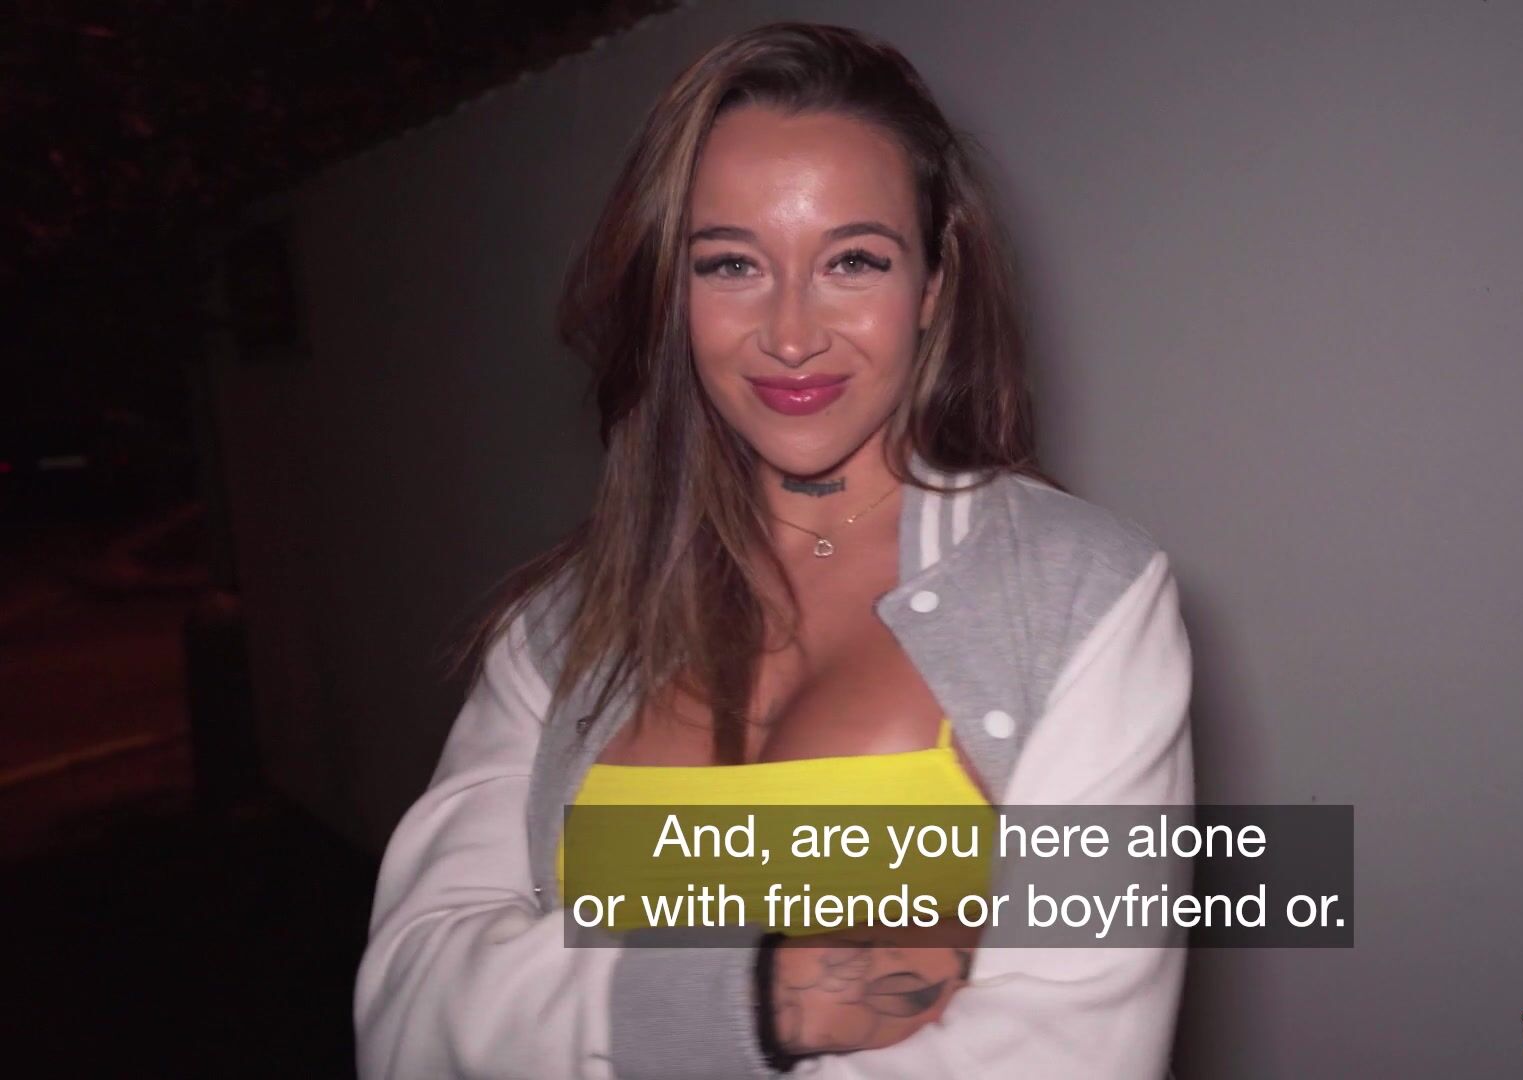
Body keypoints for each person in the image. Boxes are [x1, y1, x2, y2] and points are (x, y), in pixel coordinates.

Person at [354, 21, 1194, 1079]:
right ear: (671, 293)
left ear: (932, 286)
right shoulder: (556, 632)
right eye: (731, 264)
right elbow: (410, 1007)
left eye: (853, 261)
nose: (791, 335)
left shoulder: (1085, 597)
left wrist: (582, 1005)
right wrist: (769, 993)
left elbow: (1066, 1057)